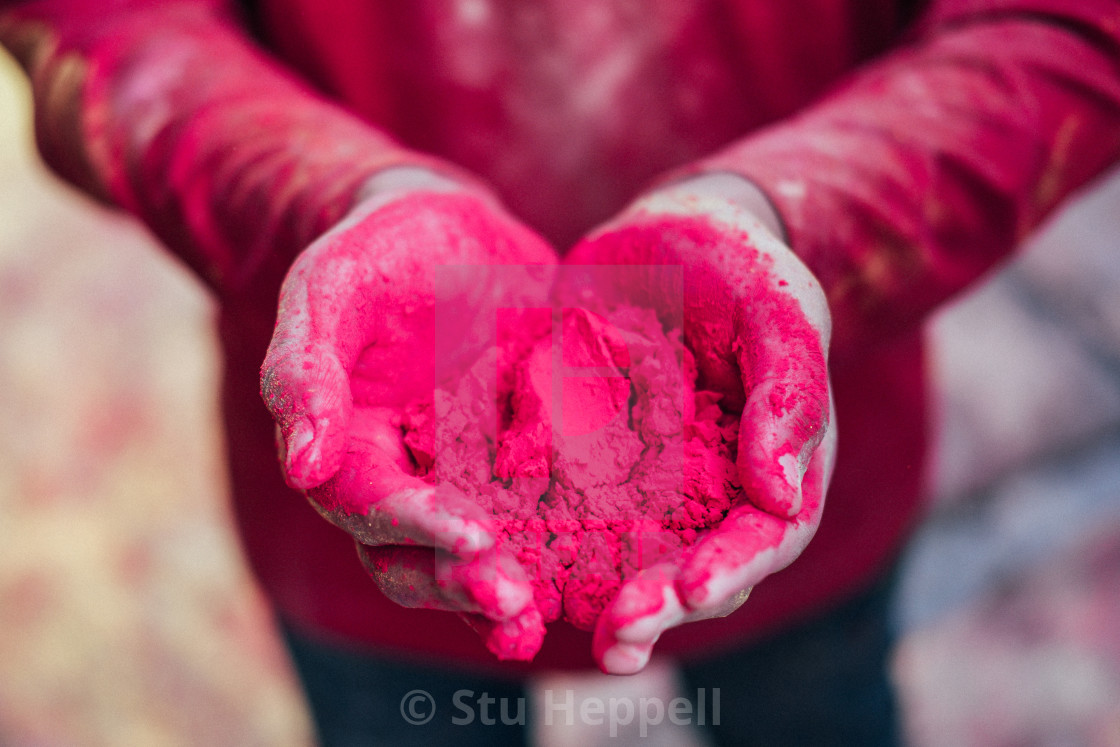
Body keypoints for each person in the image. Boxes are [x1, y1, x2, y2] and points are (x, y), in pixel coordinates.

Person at [2, 0, 1118, 744]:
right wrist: (324, 195)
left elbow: (1066, 26)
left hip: (777, 438)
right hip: (373, 466)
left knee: (808, 707)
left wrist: (796, 214)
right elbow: (102, 24)